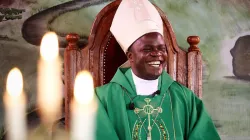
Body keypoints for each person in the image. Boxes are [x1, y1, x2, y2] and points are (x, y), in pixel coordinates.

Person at [94, 0, 220, 140]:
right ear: (131, 56)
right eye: (147, 49)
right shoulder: (102, 99)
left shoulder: (184, 98)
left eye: (162, 48)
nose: (157, 54)